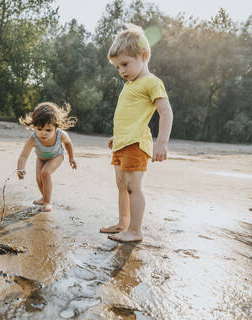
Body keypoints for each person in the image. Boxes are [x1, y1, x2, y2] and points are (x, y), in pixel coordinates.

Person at [101, 24, 173, 242]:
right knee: (122, 185)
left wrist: (162, 142)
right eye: (117, 67)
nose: (121, 70)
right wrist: (118, 137)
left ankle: (135, 230)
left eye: (125, 64)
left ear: (143, 56)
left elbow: (166, 112)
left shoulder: (151, 82)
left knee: (134, 187)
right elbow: (129, 117)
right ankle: (123, 223)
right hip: (123, 143)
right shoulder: (130, 84)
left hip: (137, 145)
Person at [16, 102, 78, 212]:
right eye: (39, 129)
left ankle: (47, 203)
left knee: (45, 173)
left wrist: (71, 158)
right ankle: (44, 197)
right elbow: (23, 156)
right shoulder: (33, 138)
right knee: (39, 179)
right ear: (34, 126)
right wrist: (20, 168)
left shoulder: (61, 135)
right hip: (41, 158)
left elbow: (68, 143)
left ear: (56, 127)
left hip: (57, 156)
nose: (43, 133)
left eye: (48, 130)